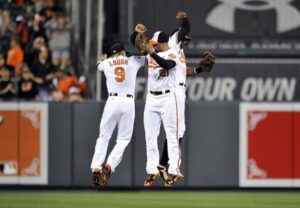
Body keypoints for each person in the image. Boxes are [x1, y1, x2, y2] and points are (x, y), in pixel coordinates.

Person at [131, 25, 183, 187]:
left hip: (168, 97)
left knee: (172, 135)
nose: (153, 45)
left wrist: (152, 53)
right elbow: (135, 42)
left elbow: (168, 65)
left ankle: (174, 169)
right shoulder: (150, 52)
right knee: (150, 136)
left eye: (155, 43)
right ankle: (152, 169)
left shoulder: (172, 52)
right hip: (151, 98)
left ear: (163, 43)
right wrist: (137, 33)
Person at [90, 43, 147, 186]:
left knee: (104, 136)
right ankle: (110, 165)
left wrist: (103, 60)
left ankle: (96, 167)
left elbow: (98, 66)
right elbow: (147, 57)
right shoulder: (133, 60)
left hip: (112, 100)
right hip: (128, 102)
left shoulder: (106, 63)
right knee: (123, 139)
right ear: (123, 51)